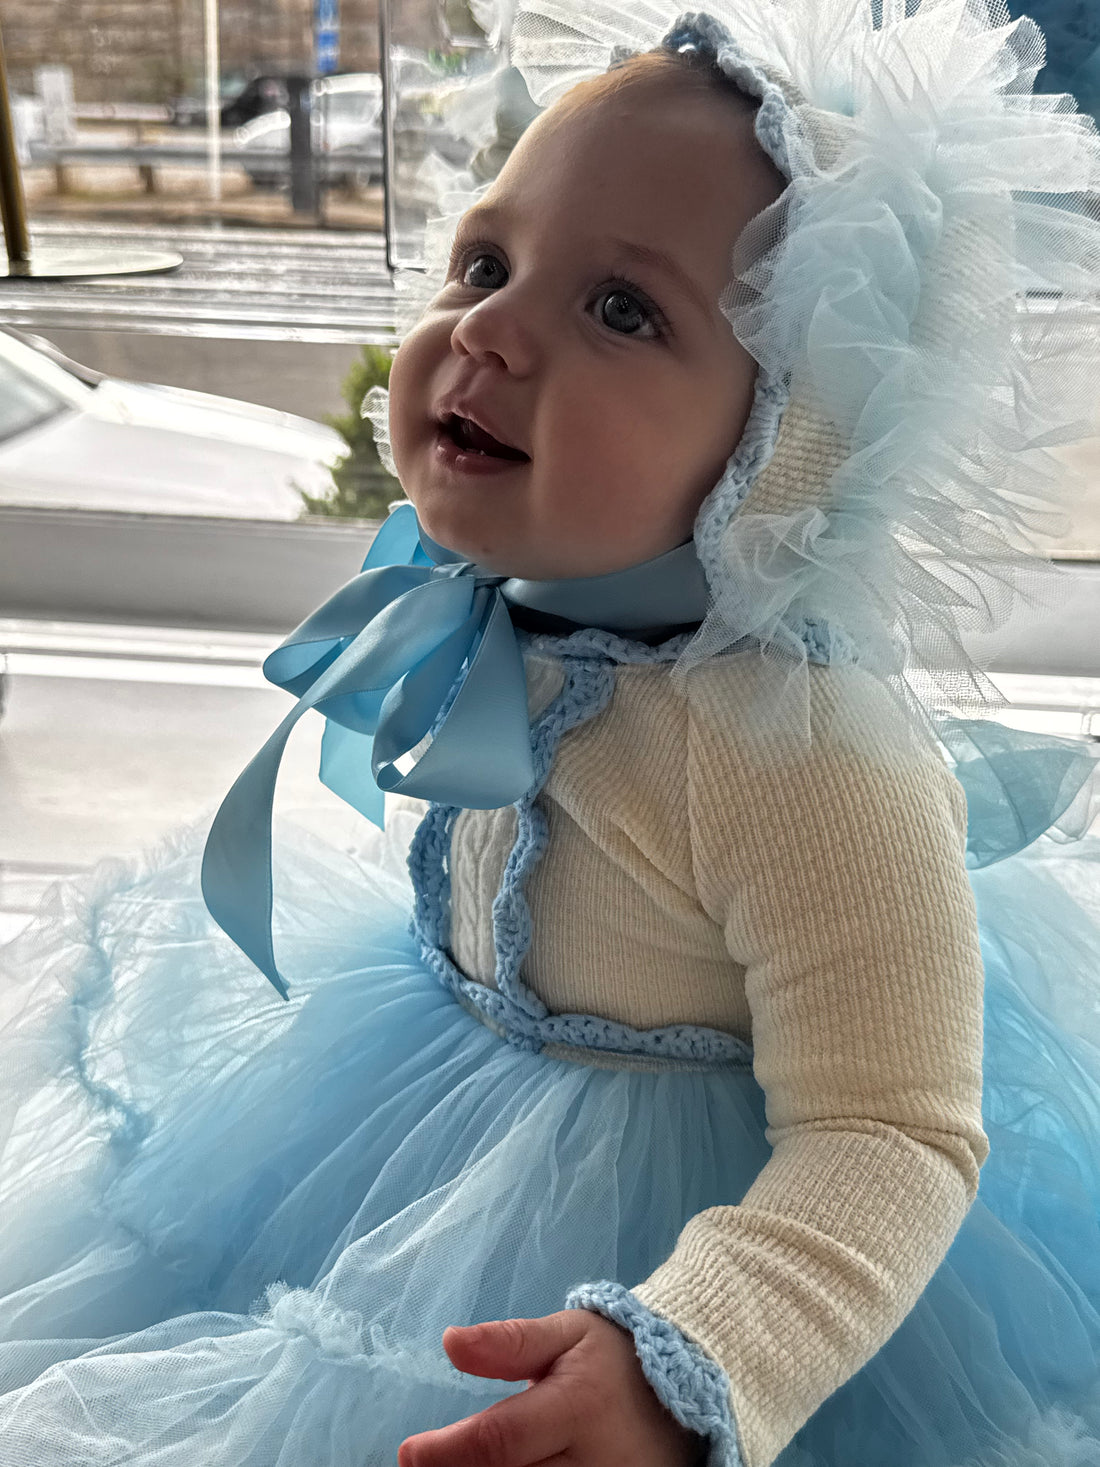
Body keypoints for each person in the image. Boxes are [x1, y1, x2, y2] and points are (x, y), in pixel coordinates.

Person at [1, 2, 1098, 1464]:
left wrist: (693, 1357)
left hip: (666, 1252)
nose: (490, 329)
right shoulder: (495, 605)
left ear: (785, 452)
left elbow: (895, 1133)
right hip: (405, 1142)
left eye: (622, 309)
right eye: (485, 262)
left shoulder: (805, 757)